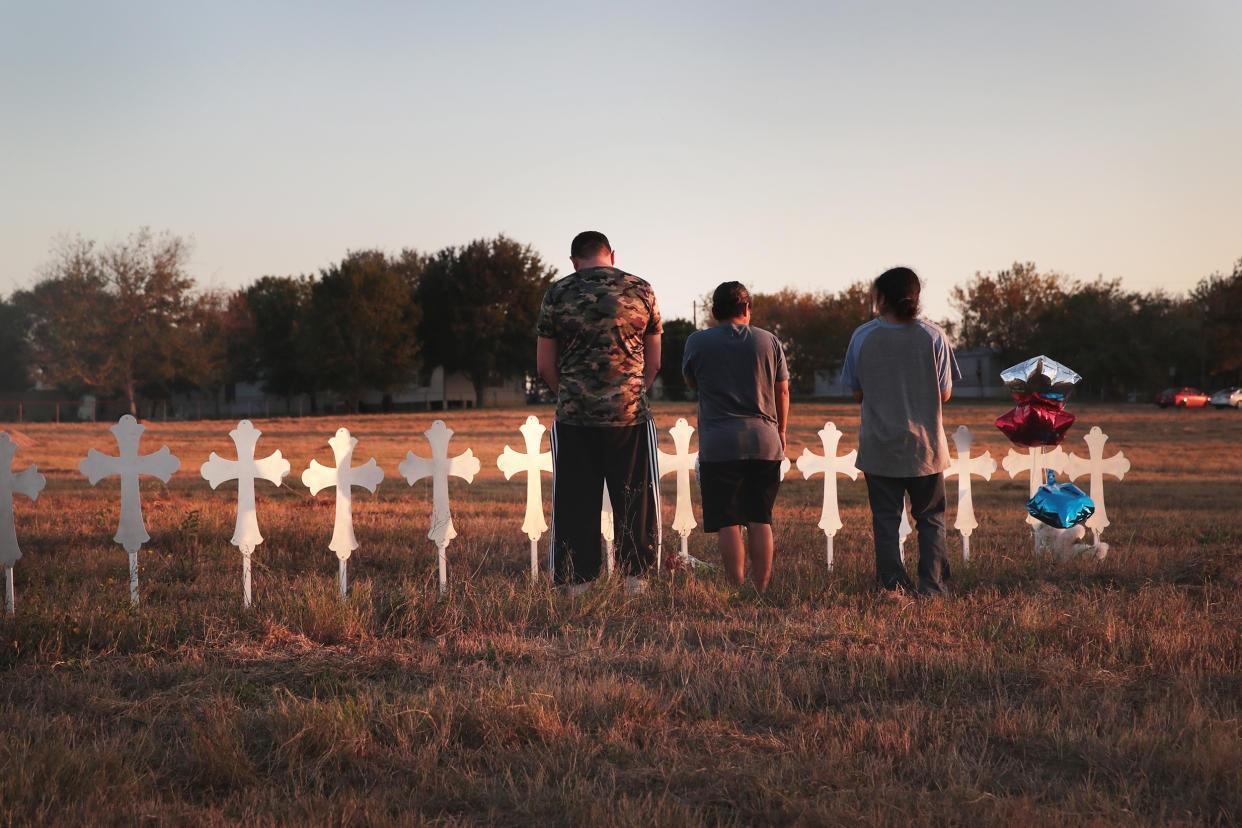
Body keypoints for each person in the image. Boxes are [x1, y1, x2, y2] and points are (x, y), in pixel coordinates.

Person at [536, 231, 663, 595]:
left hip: (575, 416)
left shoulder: (558, 292)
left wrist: (573, 395)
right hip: (631, 415)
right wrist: (629, 393)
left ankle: (578, 583)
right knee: (635, 496)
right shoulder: (642, 290)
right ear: (611, 255)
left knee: (575, 499)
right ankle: (635, 579)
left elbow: (545, 365)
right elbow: (654, 362)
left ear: (574, 260)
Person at [841, 266, 961, 598]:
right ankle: (932, 586)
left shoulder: (862, 337)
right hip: (926, 447)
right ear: (916, 296)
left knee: (885, 519)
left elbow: (857, 392)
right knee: (930, 518)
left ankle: (892, 585)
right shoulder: (933, 336)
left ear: (880, 299)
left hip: (880, 445)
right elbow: (945, 393)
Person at [682, 282, 789, 593]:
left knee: (728, 519)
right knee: (760, 517)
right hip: (764, 440)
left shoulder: (697, 341)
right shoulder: (769, 340)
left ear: (714, 311)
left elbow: (691, 381)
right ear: (746, 308)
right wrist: (781, 430)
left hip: (720, 443)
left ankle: (736, 586)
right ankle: (762, 587)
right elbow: (782, 389)